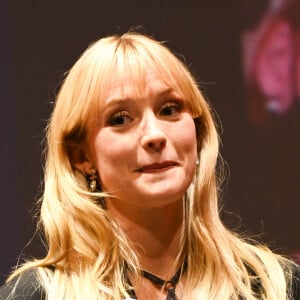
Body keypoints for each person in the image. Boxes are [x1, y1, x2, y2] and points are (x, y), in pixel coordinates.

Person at [0, 32, 299, 300]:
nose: (155, 135)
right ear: (81, 156)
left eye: (169, 109)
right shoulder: (39, 295)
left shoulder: (277, 286)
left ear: (198, 132)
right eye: (120, 119)